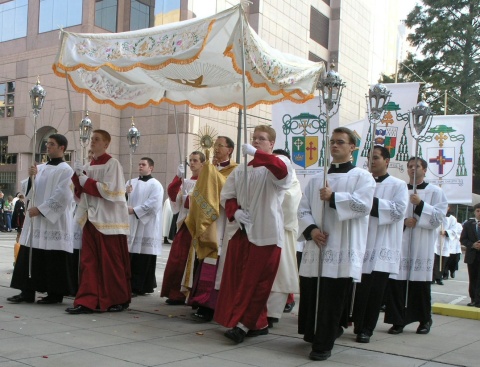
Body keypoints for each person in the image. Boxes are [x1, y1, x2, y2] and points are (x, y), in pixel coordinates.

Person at [297, 127, 375, 361]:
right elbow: (302, 209)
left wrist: (334, 198)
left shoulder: (362, 177)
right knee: (312, 294)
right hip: (317, 244)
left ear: (352, 147)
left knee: (332, 297)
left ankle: (324, 344)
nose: (335, 145)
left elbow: (364, 206)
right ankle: (314, 333)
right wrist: (311, 230)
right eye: (332, 142)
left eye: (340, 142)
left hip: (341, 245)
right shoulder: (317, 178)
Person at [214, 125, 293, 344]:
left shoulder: (280, 163)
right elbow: (227, 195)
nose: (257, 142)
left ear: (271, 144)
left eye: (262, 139)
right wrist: (235, 211)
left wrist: (259, 155)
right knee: (241, 280)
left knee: (258, 282)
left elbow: (282, 174)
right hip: (243, 231)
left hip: (267, 232)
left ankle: (243, 325)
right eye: (254, 139)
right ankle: (258, 324)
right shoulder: (241, 170)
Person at [66, 129, 131, 314]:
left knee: (111, 262)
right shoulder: (88, 165)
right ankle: (87, 300)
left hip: (108, 219)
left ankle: (117, 298)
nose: (92, 142)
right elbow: (79, 193)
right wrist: (76, 176)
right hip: (91, 218)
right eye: (92, 139)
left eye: (97, 139)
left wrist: (85, 180)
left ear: (106, 144)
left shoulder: (113, 164)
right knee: (88, 262)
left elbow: (112, 191)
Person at [8, 134, 76, 304]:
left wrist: (41, 209)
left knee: (54, 257)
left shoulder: (67, 170)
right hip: (36, 220)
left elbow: (63, 195)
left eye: (52, 144)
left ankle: (55, 294)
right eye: (47, 143)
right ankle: (27, 292)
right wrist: (31, 177)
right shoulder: (41, 167)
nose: (48, 146)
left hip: (54, 221)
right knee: (31, 254)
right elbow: (28, 190)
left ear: (62, 148)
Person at [385, 157, 447, 335]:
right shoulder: (400, 189)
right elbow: (391, 212)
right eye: (410, 166)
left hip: (422, 243)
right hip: (401, 242)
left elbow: (438, 218)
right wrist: (404, 221)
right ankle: (398, 320)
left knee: (420, 286)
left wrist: (420, 205)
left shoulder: (435, 191)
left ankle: (424, 320)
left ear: (425, 170)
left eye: (417, 166)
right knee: (397, 284)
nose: (413, 169)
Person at [352, 146, 408, 343]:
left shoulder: (398, 185)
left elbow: (398, 211)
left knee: (374, 292)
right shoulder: (362, 182)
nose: (371, 161)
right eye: (369, 158)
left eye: (376, 158)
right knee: (358, 290)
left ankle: (367, 328)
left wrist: (369, 202)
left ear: (387, 161)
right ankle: (355, 322)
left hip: (382, 244)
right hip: (360, 242)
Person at [186, 136, 237, 322]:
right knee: (207, 260)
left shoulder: (236, 169)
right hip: (208, 222)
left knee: (218, 261)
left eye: (220, 146)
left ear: (230, 150)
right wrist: (209, 171)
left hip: (223, 221)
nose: (216, 148)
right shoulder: (209, 168)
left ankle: (214, 305)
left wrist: (211, 173)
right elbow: (200, 191)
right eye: (215, 145)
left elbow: (230, 191)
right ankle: (201, 302)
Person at [160, 151, 205, 305]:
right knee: (177, 258)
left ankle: (191, 294)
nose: (192, 163)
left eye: (195, 160)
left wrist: (189, 200)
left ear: (202, 163)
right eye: (190, 161)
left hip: (198, 227)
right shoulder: (186, 182)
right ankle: (175, 292)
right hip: (185, 224)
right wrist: (178, 178)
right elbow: (173, 196)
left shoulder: (205, 182)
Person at [266, 149, 302, 327]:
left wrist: (274, 197)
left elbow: (291, 202)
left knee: (279, 274)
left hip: (283, 231)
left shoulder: (292, 180)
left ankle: (272, 313)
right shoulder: (266, 175)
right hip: (263, 231)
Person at [126, 157, 164, 296]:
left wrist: (135, 210)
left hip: (147, 225)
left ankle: (141, 286)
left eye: (143, 164)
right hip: (132, 223)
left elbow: (154, 204)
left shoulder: (156, 185)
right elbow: (121, 200)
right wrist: (125, 193)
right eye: (139, 164)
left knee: (144, 257)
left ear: (151, 168)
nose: (140, 166)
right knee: (133, 255)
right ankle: (131, 284)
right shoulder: (131, 183)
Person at [460, 203, 480, 307]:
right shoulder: (468, 224)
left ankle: (479, 300)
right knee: (473, 278)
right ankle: (473, 299)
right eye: (478, 211)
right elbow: (463, 239)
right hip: (472, 256)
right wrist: (472, 245)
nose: (479, 213)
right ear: (474, 212)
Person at [432, 207, 458, 285]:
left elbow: (455, 229)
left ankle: (439, 277)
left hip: (444, 241)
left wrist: (446, 232)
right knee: (434, 260)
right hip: (435, 240)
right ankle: (432, 278)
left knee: (442, 261)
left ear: (448, 208)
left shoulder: (452, 218)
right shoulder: (436, 215)